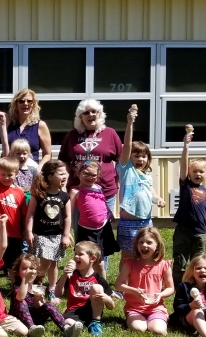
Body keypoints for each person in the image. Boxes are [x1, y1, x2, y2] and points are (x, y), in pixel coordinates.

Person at [57, 100, 123, 216]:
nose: (91, 115)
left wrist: (116, 180)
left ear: (100, 114)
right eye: (86, 113)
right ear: (80, 117)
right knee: (80, 226)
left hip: (105, 190)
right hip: (78, 190)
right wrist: (64, 179)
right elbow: (63, 161)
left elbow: (121, 161)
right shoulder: (72, 135)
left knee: (103, 226)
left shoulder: (110, 133)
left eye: (94, 112)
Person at [116, 105, 163, 255]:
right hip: (128, 223)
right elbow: (127, 147)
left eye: (144, 156)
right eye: (136, 156)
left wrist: (159, 200)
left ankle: (139, 278)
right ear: (129, 158)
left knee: (144, 254)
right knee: (128, 255)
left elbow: (152, 194)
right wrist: (130, 124)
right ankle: (124, 279)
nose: (140, 159)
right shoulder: (126, 170)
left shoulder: (147, 177)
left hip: (146, 221)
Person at [0, 68, 52, 163]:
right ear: (16, 104)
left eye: (29, 101)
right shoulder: (7, 120)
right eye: (21, 101)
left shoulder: (40, 125)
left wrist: (38, 169)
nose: (25, 104)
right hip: (9, 171)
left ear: (33, 104)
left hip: (31, 171)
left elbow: (47, 154)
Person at [25, 160, 70, 300]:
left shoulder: (64, 196)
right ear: (50, 177)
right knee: (45, 262)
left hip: (57, 235)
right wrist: (28, 231)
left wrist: (66, 235)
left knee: (54, 263)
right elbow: (30, 214)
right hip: (41, 235)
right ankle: (34, 285)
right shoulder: (39, 194)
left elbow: (67, 217)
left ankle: (51, 288)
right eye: (61, 173)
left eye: (66, 173)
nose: (65, 176)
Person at [115, 227, 174, 335]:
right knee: (139, 329)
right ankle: (137, 319)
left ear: (157, 245)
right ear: (136, 245)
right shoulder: (130, 264)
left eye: (149, 242)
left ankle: (157, 320)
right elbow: (118, 284)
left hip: (156, 308)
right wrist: (134, 291)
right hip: (134, 308)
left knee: (158, 331)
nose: (144, 245)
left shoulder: (163, 265)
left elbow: (171, 288)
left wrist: (160, 295)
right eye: (140, 242)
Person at [8, 252, 80, 337]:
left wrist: (37, 301)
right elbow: (20, 297)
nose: (28, 271)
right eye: (24, 268)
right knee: (21, 302)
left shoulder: (37, 286)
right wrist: (25, 280)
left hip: (34, 318)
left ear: (36, 272)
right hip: (19, 320)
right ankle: (32, 328)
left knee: (48, 305)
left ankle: (66, 328)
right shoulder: (17, 285)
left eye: (31, 268)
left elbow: (39, 306)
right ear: (18, 272)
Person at [172, 130, 206, 276]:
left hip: (200, 233)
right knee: (180, 260)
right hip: (183, 231)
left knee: (198, 261)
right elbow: (183, 164)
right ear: (189, 173)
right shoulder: (186, 185)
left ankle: (196, 283)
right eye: (194, 171)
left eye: (201, 172)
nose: (198, 174)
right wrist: (186, 146)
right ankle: (178, 285)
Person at [56, 241, 115, 337]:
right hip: (74, 311)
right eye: (75, 254)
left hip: (92, 309)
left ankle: (95, 322)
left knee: (97, 287)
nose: (76, 257)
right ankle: (76, 328)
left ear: (92, 258)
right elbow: (58, 293)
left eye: (80, 254)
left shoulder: (97, 278)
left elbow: (111, 306)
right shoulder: (71, 275)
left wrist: (107, 299)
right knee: (67, 321)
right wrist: (64, 275)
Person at [68, 161, 117, 267]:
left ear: (98, 176)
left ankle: (102, 283)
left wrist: (110, 213)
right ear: (78, 173)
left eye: (93, 175)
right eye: (86, 173)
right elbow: (69, 213)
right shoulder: (75, 191)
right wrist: (67, 232)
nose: (89, 177)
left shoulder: (99, 188)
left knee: (100, 261)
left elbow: (103, 202)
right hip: (86, 230)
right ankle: (79, 279)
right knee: (84, 258)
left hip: (103, 228)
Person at [0, 158, 27, 273]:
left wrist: (24, 230)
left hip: (14, 232)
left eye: (10, 174)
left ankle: (13, 278)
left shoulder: (20, 192)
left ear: (16, 174)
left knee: (14, 260)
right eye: (3, 174)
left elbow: (23, 214)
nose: (6, 178)